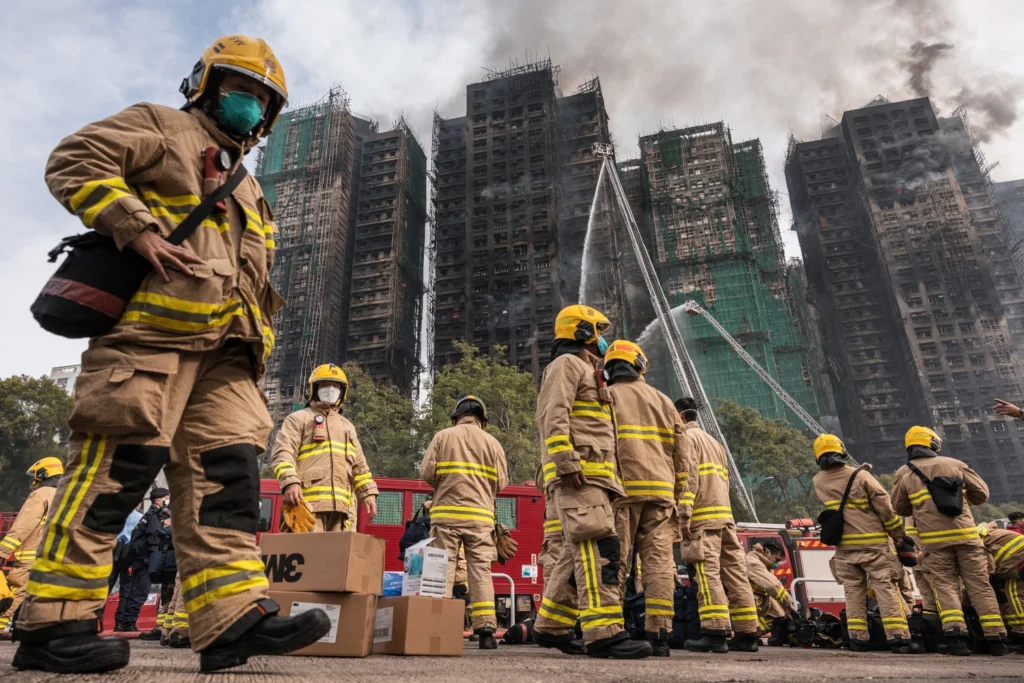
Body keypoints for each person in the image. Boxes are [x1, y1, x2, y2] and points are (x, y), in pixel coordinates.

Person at [11, 35, 332, 674]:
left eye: (263, 99)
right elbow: (74, 158)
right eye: (241, 90)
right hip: (150, 343)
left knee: (230, 484)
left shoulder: (249, 185)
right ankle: (54, 623)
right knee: (114, 477)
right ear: (206, 86)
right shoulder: (163, 127)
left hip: (228, 359)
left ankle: (231, 618)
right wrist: (136, 226)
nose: (251, 105)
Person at [532, 305, 652, 659]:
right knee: (600, 550)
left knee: (575, 553)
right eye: (597, 332)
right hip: (579, 474)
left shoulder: (586, 370)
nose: (602, 341)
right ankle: (603, 634)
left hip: (595, 475)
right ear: (581, 331)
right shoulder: (566, 365)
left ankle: (551, 626)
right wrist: (566, 460)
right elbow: (553, 415)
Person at [891, 426, 1007, 656]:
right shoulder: (955, 464)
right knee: (980, 586)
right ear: (933, 443)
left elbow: (899, 507)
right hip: (967, 538)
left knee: (945, 588)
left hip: (934, 543)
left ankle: (957, 638)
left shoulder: (904, 473)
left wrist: (922, 506)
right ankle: (997, 639)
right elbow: (982, 494)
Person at [602, 340, 686, 657]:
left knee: (614, 563)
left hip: (621, 493)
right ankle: (660, 635)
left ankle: (612, 632)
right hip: (662, 496)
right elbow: (683, 458)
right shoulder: (664, 402)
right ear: (640, 364)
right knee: (660, 567)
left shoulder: (604, 397)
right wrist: (681, 501)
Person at [812, 433, 919, 654]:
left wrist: (859, 472)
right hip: (874, 546)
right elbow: (885, 508)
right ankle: (898, 638)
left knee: (853, 592)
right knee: (885, 589)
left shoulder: (818, 481)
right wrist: (898, 535)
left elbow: (842, 489)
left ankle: (857, 639)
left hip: (844, 549)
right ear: (841, 450)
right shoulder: (860, 477)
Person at [420, 395, 508, 649]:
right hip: (480, 519)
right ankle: (486, 631)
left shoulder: (443, 436)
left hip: (446, 516)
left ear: (456, 416)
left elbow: (426, 473)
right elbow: (501, 483)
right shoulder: (493, 443)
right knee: (480, 572)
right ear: (483, 419)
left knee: (442, 569)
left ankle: (439, 628)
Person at [674, 397, 760, 653]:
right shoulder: (715, 443)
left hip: (702, 519)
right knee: (736, 576)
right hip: (725, 519)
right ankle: (747, 633)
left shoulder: (687, 440)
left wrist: (685, 513)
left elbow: (689, 478)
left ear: (679, 417)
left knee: (706, 573)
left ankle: (714, 632)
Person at [270, 363, 378, 531]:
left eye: (335, 386)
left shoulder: (347, 426)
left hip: (343, 511)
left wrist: (368, 493)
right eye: (325, 385)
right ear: (314, 389)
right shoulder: (298, 419)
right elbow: (282, 453)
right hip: (308, 506)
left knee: (339, 557)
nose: (330, 389)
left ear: (343, 392)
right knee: (309, 555)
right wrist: (290, 482)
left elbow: (359, 467)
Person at [0, 458, 63, 632]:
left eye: (35, 476)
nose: (33, 481)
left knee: (13, 595)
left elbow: (23, 526)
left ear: (43, 474)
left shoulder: (41, 495)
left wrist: (2, 552)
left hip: (33, 556)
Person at [114, 488, 168, 632]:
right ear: (158, 500)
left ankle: (125, 622)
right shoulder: (154, 516)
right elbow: (154, 538)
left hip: (136, 558)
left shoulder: (147, 515)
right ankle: (129, 622)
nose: (168, 501)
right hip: (146, 559)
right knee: (141, 592)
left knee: (131, 591)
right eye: (166, 498)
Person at [977, 523, 1024, 651]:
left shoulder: (977, 542)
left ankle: (1021, 635)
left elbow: (980, 573)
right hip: (1017, 562)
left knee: (1015, 595)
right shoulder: (989, 535)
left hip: (1019, 561)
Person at [744, 539, 798, 646]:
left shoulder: (764, 563)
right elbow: (773, 585)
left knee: (781, 616)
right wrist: (790, 605)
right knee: (781, 612)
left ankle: (756, 632)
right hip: (746, 600)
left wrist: (786, 613)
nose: (776, 563)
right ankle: (748, 633)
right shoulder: (753, 562)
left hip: (759, 598)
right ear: (767, 552)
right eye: (777, 559)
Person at [109, 503, 144, 594]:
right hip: (130, 550)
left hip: (115, 548)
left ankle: (99, 607)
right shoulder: (140, 517)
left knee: (109, 580)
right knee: (126, 584)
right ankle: (122, 608)